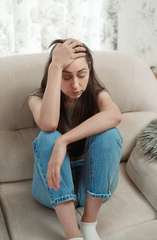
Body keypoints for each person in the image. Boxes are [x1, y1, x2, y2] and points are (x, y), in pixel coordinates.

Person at [28, 38, 123, 240]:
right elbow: (49, 124)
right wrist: (55, 65)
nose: (76, 85)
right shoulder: (36, 99)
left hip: (92, 182)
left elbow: (115, 116)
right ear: (54, 76)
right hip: (52, 185)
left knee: (110, 133)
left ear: (89, 71)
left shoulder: (97, 95)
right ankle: (73, 235)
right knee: (48, 138)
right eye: (66, 77)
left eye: (81, 75)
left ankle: (89, 225)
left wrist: (64, 141)